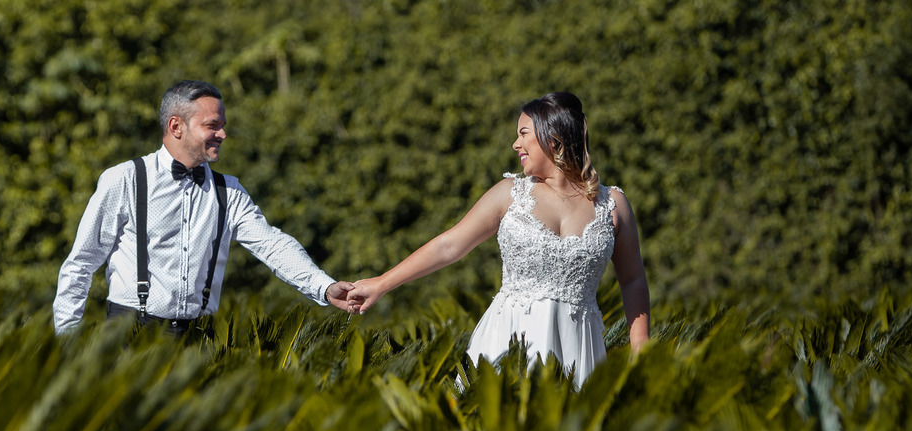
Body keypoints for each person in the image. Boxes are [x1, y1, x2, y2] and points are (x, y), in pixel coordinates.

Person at [346, 91, 649, 384]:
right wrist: (381, 283)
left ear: (553, 138)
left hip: (579, 351)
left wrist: (641, 352)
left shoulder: (613, 205)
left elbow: (633, 279)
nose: (515, 144)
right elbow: (449, 245)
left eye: (524, 133)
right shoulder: (509, 195)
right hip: (507, 343)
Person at [54, 80, 355, 334]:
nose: (223, 134)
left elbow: (273, 245)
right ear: (176, 126)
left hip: (199, 340)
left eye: (223, 126)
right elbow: (81, 263)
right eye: (212, 125)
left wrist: (324, 288)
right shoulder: (125, 179)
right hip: (127, 334)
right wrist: (66, 341)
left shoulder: (229, 191)